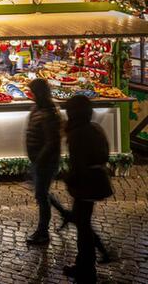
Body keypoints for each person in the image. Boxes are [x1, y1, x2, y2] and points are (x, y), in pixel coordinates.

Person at [62, 95, 114, 282]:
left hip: (86, 185)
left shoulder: (78, 134)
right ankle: (86, 262)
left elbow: (78, 165)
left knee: (82, 226)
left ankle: (86, 267)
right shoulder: (94, 128)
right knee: (82, 222)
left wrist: (69, 179)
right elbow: (105, 154)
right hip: (95, 180)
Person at [25, 78, 70, 246]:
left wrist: (39, 161)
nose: (31, 96)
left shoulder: (50, 112)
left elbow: (52, 142)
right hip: (38, 158)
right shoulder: (38, 108)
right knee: (41, 192)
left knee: (41, 196)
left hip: (45, 161)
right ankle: (64, 213)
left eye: (33, 92)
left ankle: (43, 233)